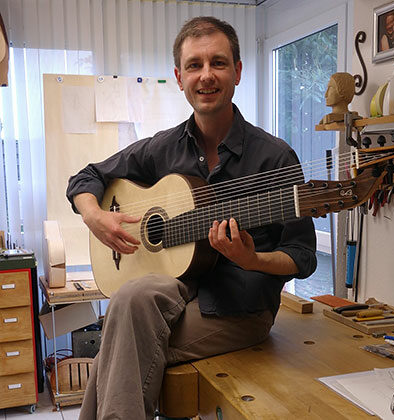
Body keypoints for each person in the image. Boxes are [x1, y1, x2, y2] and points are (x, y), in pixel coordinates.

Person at [66, 16, 317, 420]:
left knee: (122, 339)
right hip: (178, 287)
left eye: (218, 63)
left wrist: (253, 259)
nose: (206, 76)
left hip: (241, 307)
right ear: (179, 77)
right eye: (195, 65)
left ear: (237, 72)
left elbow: (303, 256)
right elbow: (87, 177)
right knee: (129, 301)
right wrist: (96, 217)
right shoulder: (163, 149)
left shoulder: (274, 157)